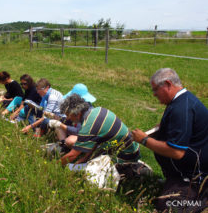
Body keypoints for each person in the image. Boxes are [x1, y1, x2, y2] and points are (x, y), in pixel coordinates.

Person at [132, 68, 208, 212]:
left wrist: (144, 140)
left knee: (168, 206)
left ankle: (202, 202)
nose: (154, 94)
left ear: (167, 84)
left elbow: (177, 152)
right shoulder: (181, 101)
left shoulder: (181, 108)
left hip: (193, 176)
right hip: (183, 172)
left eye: (155, 89)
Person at [59, 94, 140, 166]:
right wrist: (86, 158)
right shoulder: (98, 110)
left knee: (89, 172)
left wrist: (55, 166)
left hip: (124, 156)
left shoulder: (88, 127)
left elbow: (72, 155)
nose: (68, 118)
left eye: (68, 115)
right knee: (90, 163)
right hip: (131, 148)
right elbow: (95, 141)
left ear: (78, 113)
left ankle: (133, 168)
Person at [49, 83, 96, 147]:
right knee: (59, 128)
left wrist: (60, 124)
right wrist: (59, 119)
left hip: (87, 137)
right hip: (81, 133)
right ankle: (63, 145)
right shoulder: (81, 108)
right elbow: (70, 120)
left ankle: (67, 147)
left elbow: (77, 131)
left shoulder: (86, 112)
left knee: (70, 140)